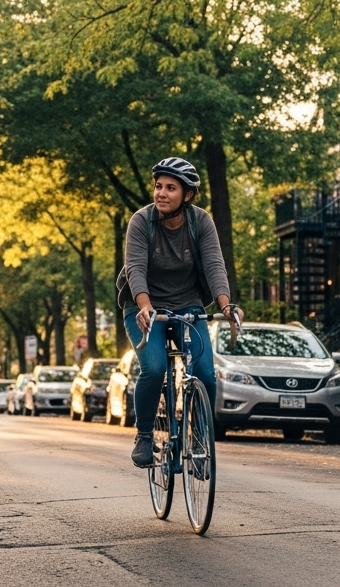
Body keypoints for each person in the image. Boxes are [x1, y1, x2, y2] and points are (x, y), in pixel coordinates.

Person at [120, 157, 242, 468]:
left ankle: (198, 440)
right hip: (144, 306)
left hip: (188, 304)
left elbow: (214, 264)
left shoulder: (200, 222)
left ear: (187, 195)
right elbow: (135, 268)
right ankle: (144, 435)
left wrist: (226, 305)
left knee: (205, 373)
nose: (161, 193)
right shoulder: (141, 221)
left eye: (170, 188)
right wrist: (145, 305)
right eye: (158, 186)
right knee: (154, 368)